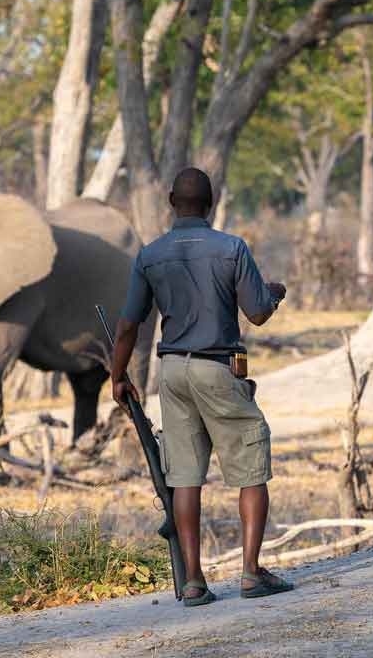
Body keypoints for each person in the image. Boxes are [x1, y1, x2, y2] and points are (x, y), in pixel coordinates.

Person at [110, 167, 293, 606]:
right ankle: (250, 573)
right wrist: (274, 292)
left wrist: (117, 377)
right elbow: (258, 313)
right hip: (218, 366)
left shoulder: (150, 255)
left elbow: (128, 326)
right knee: (250, 467)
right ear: (211, 203)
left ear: (172, 200)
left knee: (186, 477)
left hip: (171, 372)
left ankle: (193, 582)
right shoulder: (231, 248)